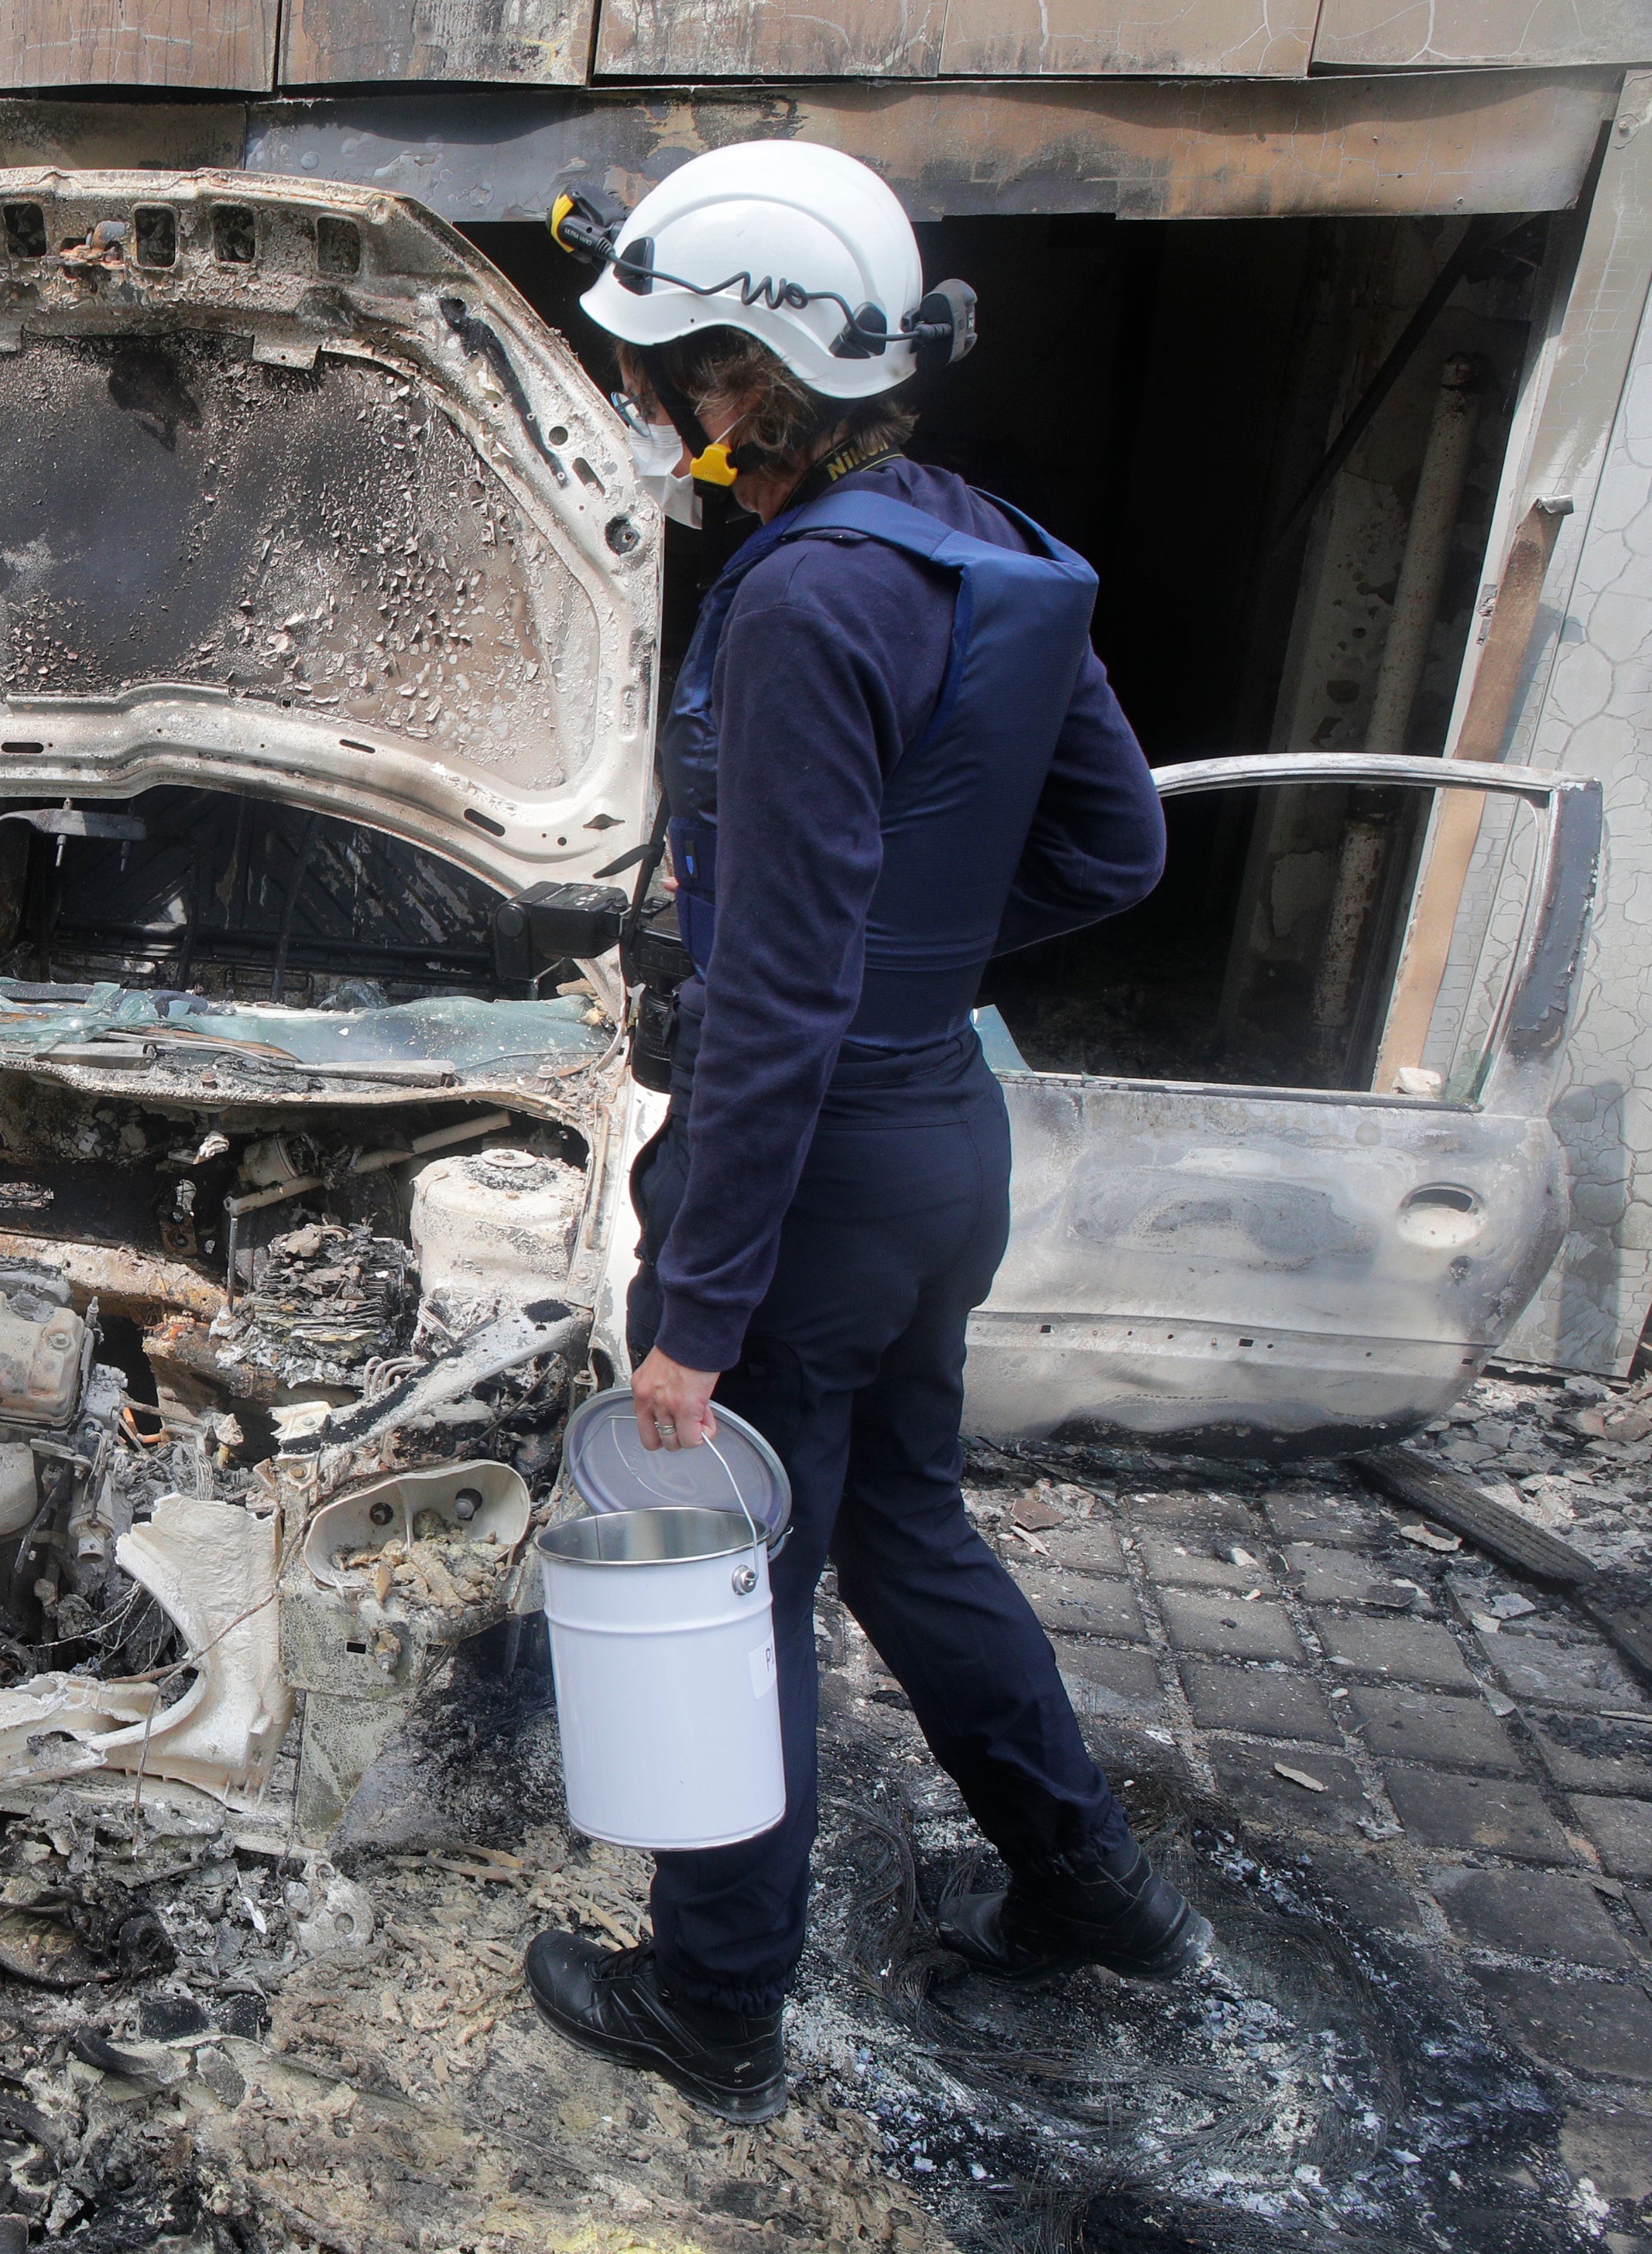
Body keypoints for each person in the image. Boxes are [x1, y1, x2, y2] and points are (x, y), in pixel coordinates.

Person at [524, 147, 1204, 2125]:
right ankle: (1092, 1887)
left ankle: (716, 1997)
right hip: (940, 1146)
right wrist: (927, 963)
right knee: (908, 1530)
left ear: (751, 370)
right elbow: (1119, 845)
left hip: (812, 1182)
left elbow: (786, 994)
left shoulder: (811, 599)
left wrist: (696, 1318)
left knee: (742, 1581)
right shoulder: (979, 538)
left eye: (674, 367)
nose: (658, 403)